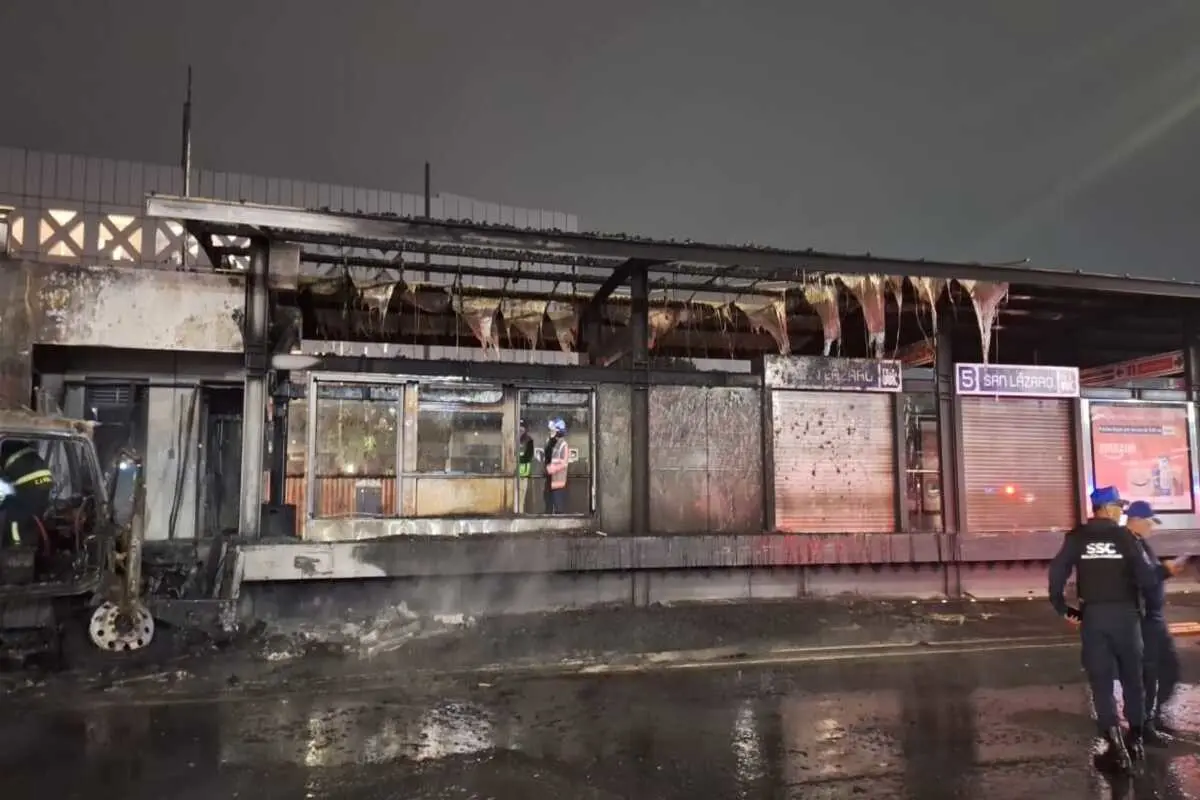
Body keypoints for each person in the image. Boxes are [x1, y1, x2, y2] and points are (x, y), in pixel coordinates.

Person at [1048, 486, 1158, 772]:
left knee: (1101, 681)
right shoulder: (1125, 538)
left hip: (1093, 616)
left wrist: (1064, 609)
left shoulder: (1077, 537)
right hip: (1126, 616)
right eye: (1118, 506)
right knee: (1133, 677)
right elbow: (1147, 577)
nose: (1121, 511)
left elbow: (1057, 573)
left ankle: (1113, 742)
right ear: (1107, 508)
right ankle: (1135, 738)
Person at [1125, 500, 1182, 740]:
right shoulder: (1128, 545)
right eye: (1150, 522)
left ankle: (1153, 715)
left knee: (1169, 668)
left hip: (1155, 619)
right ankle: (1144, 725)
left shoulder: (1141, 544)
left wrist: (1164, 570)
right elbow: (1143, 578)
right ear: (1137, 520)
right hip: (1145, 620)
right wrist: (1165, 570)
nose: (1152, 527)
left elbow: (1150, 575)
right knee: (1149, 673)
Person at [0, 440, 53, 548]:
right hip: (44, 481)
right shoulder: (27, 455)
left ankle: (16, 550)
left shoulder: (10, 459)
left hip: (27, 483)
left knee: (14, 520)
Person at [544, 419, 569, 515]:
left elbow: (564, 463)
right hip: (549, 481)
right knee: (549, 508)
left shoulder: (563, 445)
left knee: (559, 509)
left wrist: (551, 468)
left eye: (553, 430)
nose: (551, 432)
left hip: (558, 483)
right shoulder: (551, 443)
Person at [516, 419, 534, 514]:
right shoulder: (513, 438)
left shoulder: (529, 440)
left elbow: (528, 457)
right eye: (519, 427)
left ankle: (520, 515)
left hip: (523, 475)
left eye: (522, 427)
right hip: (513, 475)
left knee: (521, 498)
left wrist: (517, 459)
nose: (520, 429)